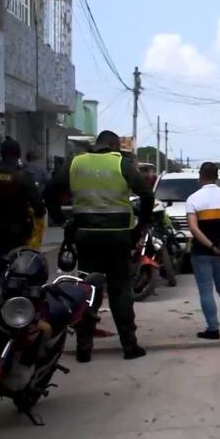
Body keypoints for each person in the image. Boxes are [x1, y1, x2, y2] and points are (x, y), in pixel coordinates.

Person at [45, 130, 153, 362]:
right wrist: (139, 227)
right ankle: (129, 346)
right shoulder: (121, 164)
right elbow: (146, 195)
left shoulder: (75, 163)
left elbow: (50, 191)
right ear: (114, 145)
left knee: (87, 290)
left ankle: (84, 349)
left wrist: (64, 222)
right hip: (118, 238)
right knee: (120, 291)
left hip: (86, 238)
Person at [185, 162, 220, 340]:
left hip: (202, 252)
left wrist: (211, 246)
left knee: (206, 290)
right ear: (217, 177)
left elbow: (194, 228)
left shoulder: (193, 199)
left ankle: (213, 328)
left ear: (201, 177)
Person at [0, 138, 45, 255]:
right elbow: (39, 207)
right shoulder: (23, 177)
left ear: (1, 154)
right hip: (17, 235)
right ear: (19, 154)